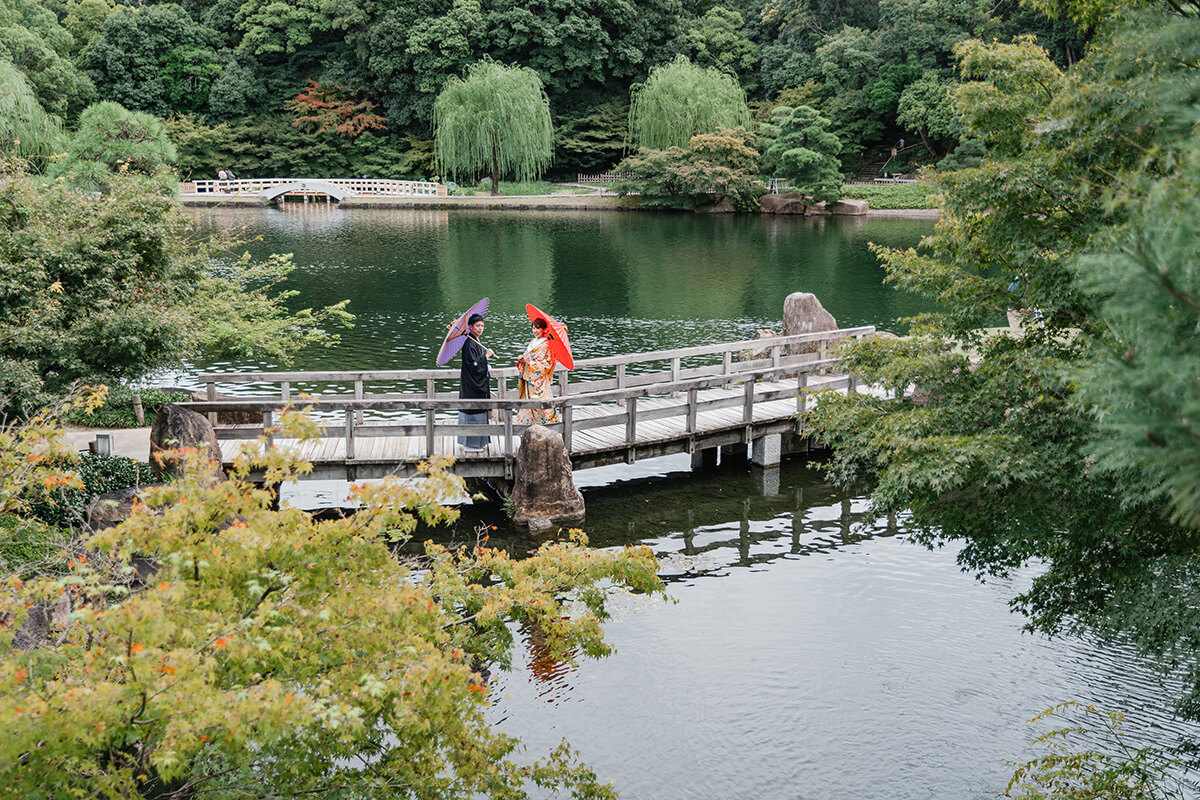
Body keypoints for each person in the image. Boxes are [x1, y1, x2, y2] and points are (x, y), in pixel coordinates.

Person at [457, 313, 493, 451]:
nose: (480, 328)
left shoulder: (475, 341)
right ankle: (470, 444)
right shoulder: (469, 344)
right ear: (470, 327)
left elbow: (478, 364)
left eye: (482, 326)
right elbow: (473, 365)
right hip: (471, 385)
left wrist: (485, 364)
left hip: (476, 383)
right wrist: (486, 357)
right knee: (472, 410)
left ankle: (479, 442)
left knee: (479, 411)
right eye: (477, 326)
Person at [515, 317, 559, 425]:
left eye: (538, 328)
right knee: (527, 403)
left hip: (538, 381)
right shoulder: (533, 341)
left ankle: (546, 426)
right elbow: (528, 355)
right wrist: (522, 358)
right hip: (528, 378)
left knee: (541, 406)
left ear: (544, 329)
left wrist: (530, 361)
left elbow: (547, 364)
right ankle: (528, 426)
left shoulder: (546, 345)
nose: (535, 331)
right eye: (533, 328)